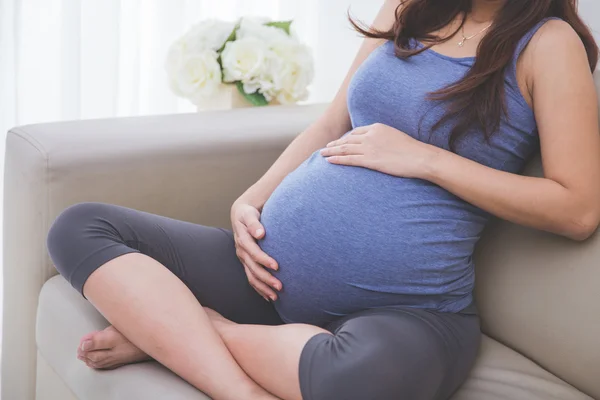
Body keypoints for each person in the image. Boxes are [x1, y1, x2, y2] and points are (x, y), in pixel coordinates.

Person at [47, 0, 600, 399]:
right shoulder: (409, 8)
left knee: (355, 381)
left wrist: (426, 158)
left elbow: (577, 208)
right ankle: (239, 386)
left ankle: (191, 330)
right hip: (265, 277)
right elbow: (333, 121)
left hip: (407, 311)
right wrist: (252, 198)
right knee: (79, 227)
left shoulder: (548, 45)